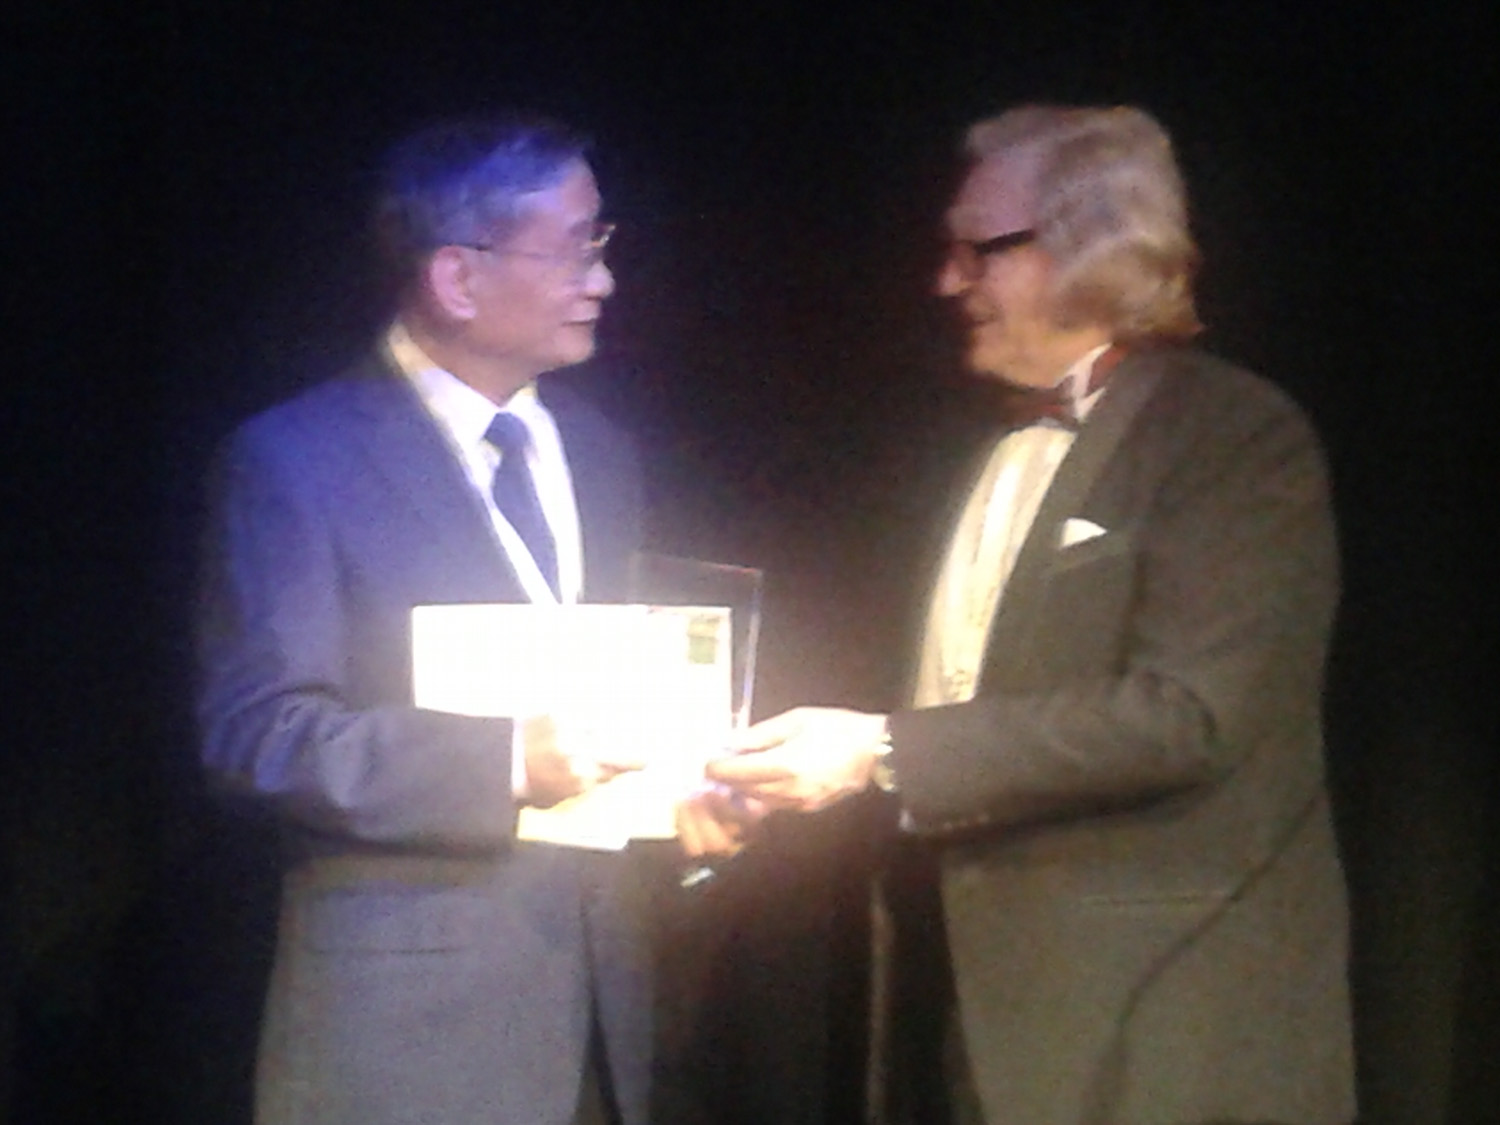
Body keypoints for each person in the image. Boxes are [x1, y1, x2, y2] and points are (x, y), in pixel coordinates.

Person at [707, 104, 1356, 1124]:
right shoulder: (973, 453)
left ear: (1090, 244)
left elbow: (1188, 714)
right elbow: (965, 715)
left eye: (979, 251)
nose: (946, 281)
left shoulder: (1232, 435)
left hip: (1158, 1034)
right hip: (971, 1019)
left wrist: (880, 750)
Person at [197, 113, 678, 1125]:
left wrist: (688, 787)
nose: (603, 279)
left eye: (603, 243)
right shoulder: (296, 460)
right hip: (408, 1037)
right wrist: (505, 761)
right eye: (576, 248)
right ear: (457, 277)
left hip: (602, 1018)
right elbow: (261, 735)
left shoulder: (602, 452)